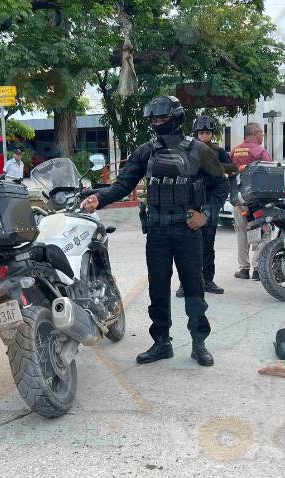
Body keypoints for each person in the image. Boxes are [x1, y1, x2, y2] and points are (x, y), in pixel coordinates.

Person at [80, 96, 227, 367]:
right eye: (154, 120)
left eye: (162, 119)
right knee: (158, 291)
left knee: (194, 289)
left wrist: (205, 215)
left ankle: (199, 342)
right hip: (158, 232)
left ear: (177, 118)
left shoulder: (199, 150)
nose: (157, 124)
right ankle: (161, 343)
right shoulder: (146, 151)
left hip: (188, 232)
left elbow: (221, 187)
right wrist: (98, 199)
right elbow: (123, 184)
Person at [176, 115, 235, 298]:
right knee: (187, 246)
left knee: (208, 246)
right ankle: (185, 284)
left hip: (210, 202)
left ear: (211, 133)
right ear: (196, 133)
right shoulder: (187, 149)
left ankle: (207, 280)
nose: (204, 135)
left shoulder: (218, 151)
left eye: (207, 132)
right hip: (191, 203)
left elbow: (231, 171)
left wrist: (216, 167)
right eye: (201, 132)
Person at [230, 122, 272, 280]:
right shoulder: (261, 151)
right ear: (254, 133)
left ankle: (244, 269)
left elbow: (229, 175)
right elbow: (270, 175)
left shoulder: (234, 151)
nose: (263, 136)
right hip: (258, 202)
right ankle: (257, 268)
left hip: (239, 200)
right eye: (261, 132)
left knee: (242, 233)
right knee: (265, 234)